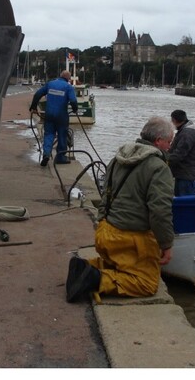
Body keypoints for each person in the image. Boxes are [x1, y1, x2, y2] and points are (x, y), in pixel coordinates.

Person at [65, 116, 175, 302]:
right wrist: (166, 244)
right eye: (169, 142)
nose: (170, 147)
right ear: (158, 141)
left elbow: (105, 194)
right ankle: (95, 279)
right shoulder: (158, 168)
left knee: (120, 265)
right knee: (147, 283)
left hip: (105, 232)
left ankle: (87, 266)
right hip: (129, 239)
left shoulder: (118, 158)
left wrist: (102, 222)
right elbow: (160, 212)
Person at [29, 70, 78, 166]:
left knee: (49, 134)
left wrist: (34, 106)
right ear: (68, 79)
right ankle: (60, 157)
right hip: (61, 116)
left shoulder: (50, 84)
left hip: (49, 114)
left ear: (60, 76)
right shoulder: (68, 87)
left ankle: (46, 154)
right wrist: (75, 109)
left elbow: (38, 94)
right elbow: (73, 101)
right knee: (62, 135)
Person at [167, 109, 195, 196]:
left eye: (171, 120)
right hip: (182, 173)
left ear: (174, 120)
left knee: (185, 201)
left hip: (186, 175)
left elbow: (179, 154)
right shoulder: (184, 131)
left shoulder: (187, 133)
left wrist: (164, 159)